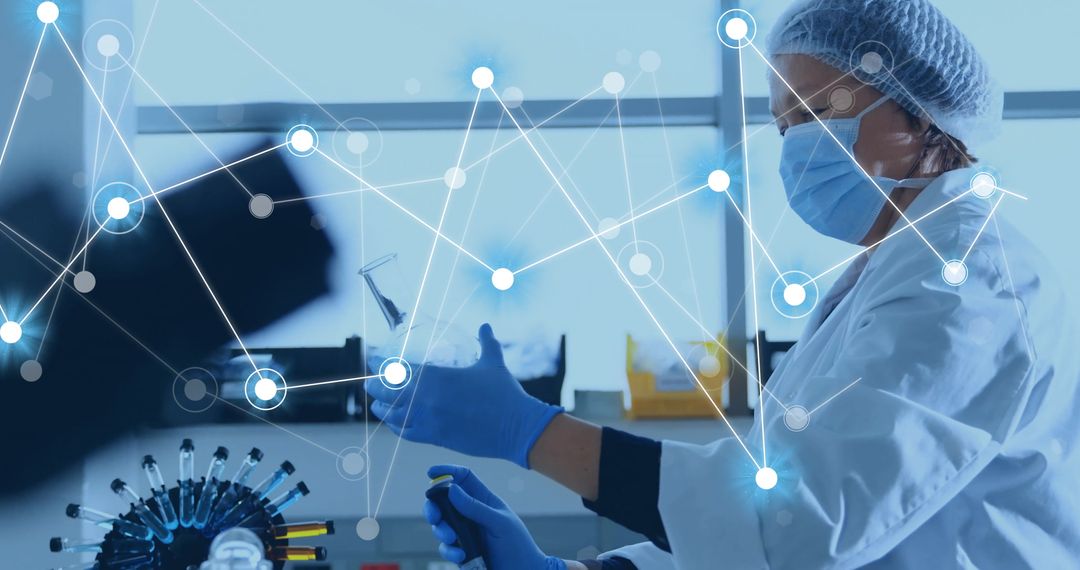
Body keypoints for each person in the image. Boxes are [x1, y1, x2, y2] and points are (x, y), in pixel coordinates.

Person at [366, 0, 1080, 567]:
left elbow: (801, 527)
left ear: (918, 112)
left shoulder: (971, 278)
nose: (798, 143)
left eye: (821, 111)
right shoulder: (890, 273)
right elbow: (745, 525)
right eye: (783, 123)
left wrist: (529, 432)